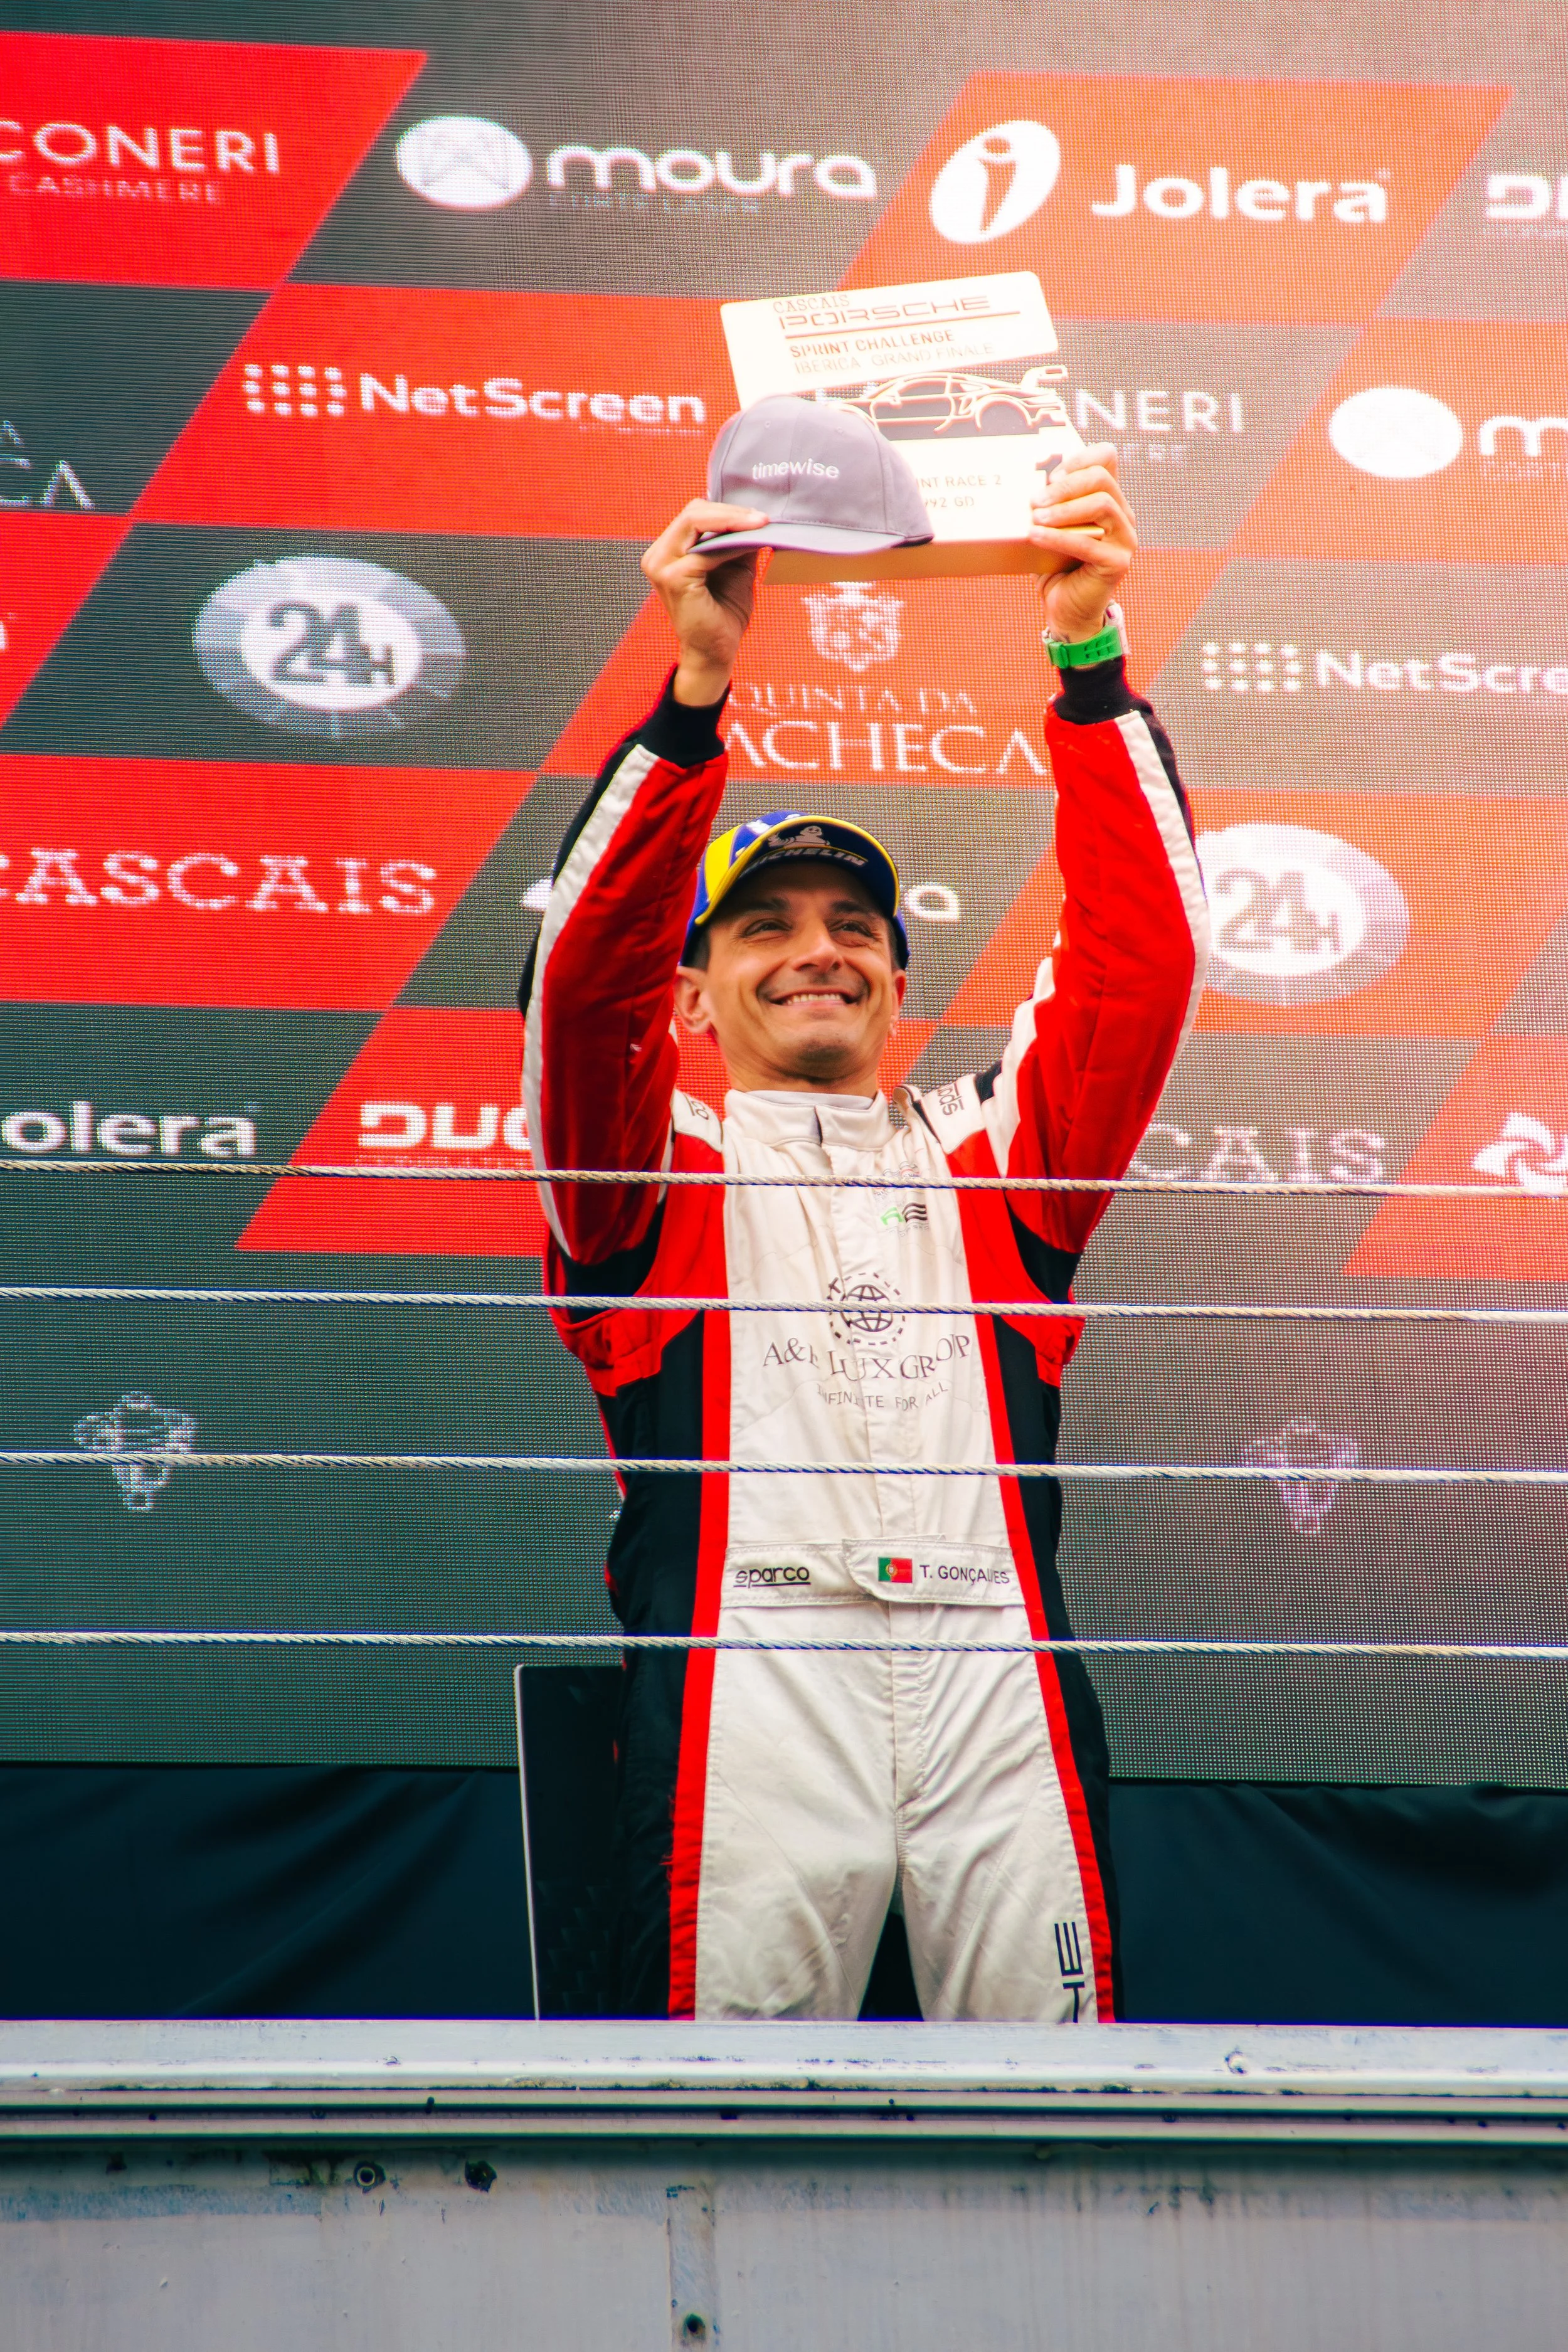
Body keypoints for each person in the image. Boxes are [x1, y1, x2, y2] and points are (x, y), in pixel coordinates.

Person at [520, 445, 1209, 2021]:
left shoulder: (995, 1157)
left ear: (899, 978)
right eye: (762, 928)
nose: (815, 954)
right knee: (727, 2124)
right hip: (748, 1677)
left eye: (853, 930)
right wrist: (696, 692)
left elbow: (1139, 964)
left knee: (1063, 2105)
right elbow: (577, 985)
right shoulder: (641, 1174)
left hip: (995, 1672)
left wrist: (1089, 665)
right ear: (692, 991)